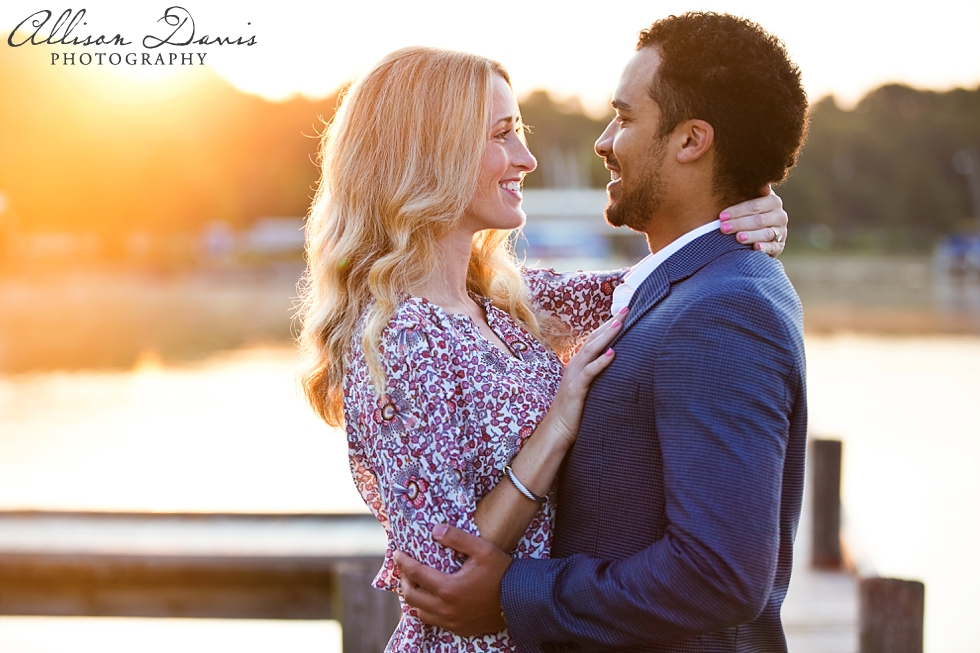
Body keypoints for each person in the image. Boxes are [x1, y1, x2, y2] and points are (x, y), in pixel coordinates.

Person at [297, 45, 790, 653]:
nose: (526, 159)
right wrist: (557, 423)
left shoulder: (505, 301)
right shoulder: (399, 338)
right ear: (431, 152)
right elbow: (443, 577)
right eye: (503, 136)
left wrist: (744, 214)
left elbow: (659, 289)